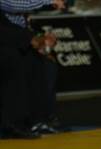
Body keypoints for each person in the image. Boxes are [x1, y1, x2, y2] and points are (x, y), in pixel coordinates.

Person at [0, 0, 64, 138]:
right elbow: (11, 4)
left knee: (45, 63)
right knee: (13, 61)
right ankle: (13, 123)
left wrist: (37, 38)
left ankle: (39, 118)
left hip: (14, 37)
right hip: (9, 42)